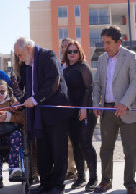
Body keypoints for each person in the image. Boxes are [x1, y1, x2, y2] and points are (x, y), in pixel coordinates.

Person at [13, 37, 71, 194]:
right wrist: (18, 103)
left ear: (28, 49)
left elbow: (53, 82)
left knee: (59, 151)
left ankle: (58, 186)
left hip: (57, 112)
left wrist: (34, 99)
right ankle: (45, 184)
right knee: (43, 151)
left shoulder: (48, 56)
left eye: (20, 55)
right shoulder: (26, 66)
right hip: (39, 114)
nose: (19, 58)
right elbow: (28, 92)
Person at [92, 25, 136, 194]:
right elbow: (97, 83)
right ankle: (105, 180)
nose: (105, 46)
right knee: (105, 148)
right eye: (104, 43)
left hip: (128, 110)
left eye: (108, 43)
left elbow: (135, 82)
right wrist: (96, 103)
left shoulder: (131, 57)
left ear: (119, 42)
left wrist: (125, 103)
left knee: (131, 149)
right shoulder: (102, 59)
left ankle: (130, 184)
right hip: (107, 111)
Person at [62, 40, 98, 191]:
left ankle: (93, 178)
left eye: (75, 51)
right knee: (75, 144)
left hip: (85, 112)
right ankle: (81, 176)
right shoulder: (65, 70)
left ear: (79, 52)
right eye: (69, 51)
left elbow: (88, 88)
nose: (72, 54)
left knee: (86, 144)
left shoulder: (83, 67)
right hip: (70, 113)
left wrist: (84, 107)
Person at [12, 54, 40, 185]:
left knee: (35, 143)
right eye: (17, 56)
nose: (20, 58)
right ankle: (30, 174)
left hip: (34, 108)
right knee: (27, 143)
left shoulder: (33, 66)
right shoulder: (18, 72)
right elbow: (19, 91)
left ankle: (36, 173)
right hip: (24, 110)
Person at [60, 38, 78, 182]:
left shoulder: (79, 66)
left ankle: (82, 169)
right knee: (67, 142)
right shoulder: (59, 66)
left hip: (77, 108)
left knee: (79, 141)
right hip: (63, 110)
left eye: (68, 47)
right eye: (63, 47)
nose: (65, 49)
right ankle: (71, 169)